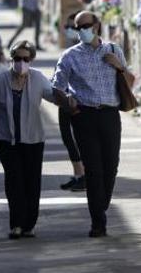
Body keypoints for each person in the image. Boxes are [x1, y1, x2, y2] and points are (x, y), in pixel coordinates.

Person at [51, 11, 134, 238]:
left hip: (109, 115)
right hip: (84, 116)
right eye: (79, 28)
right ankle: (98, 221)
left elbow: (130, 82)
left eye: (86, 26)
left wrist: (119, 66)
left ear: (97, 25)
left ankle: (100, 205)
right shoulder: (69, 56)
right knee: (94, 170)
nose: (83, 31)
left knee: (111, 166)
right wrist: (69, 103)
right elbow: (56, 86)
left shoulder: (113, 50)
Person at [0, 40, 54, 239]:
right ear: (12, 59)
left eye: (25, 59)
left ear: (31, 60)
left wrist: (68, 98)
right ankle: (16, 225)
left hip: (33, 139)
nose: (21, 62)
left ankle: (29, 224)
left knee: (32, 181)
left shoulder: (38, 79)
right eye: (17, 58)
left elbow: (52, 94)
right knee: (14, 181)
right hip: (6, 140)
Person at [58, 12, 85, 192]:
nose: (68, 31)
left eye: (72, 28)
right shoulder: (70, 48)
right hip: (65, 98)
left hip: (79, 101)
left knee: (79, 139)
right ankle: (78, 174)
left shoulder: (85, 50)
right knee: (68, 138)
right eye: (67, 27)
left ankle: (84, 176)